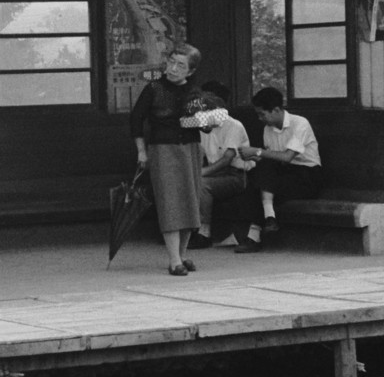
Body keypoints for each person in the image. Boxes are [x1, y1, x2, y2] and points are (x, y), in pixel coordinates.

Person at [130, 43, 206, 276]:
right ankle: (174, 260)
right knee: (170, 202)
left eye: (179, 65)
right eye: (170, 62)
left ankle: (182, 255)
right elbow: (136, 120)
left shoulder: (195, 91)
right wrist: (141, 151)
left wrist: (209, 120)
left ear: (190, 71)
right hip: (162, 149)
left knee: (189, 201)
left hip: (190, 149)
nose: (172, 68)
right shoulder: (154, 88)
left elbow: (203, 123)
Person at [236, 86, 324, 253]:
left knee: (262, 183)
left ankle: (255, 235)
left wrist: (257, 151)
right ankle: (269, 219)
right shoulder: (267, 129)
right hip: (282, 174)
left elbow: (286, 157)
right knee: (259, 176)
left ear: (276, 110)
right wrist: (252, 156)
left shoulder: (300, 123)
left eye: (263, 114)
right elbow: (272, 158)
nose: (260, 118)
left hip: (307, 175)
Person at [191, 80, 255, 251]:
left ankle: (204, 233)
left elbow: (227, 159)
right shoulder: (203, 128)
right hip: (216, 173)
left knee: (202, 184)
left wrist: (202, 173)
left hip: (237, 175)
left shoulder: (233, 125)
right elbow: (199, 154)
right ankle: (187, 231)